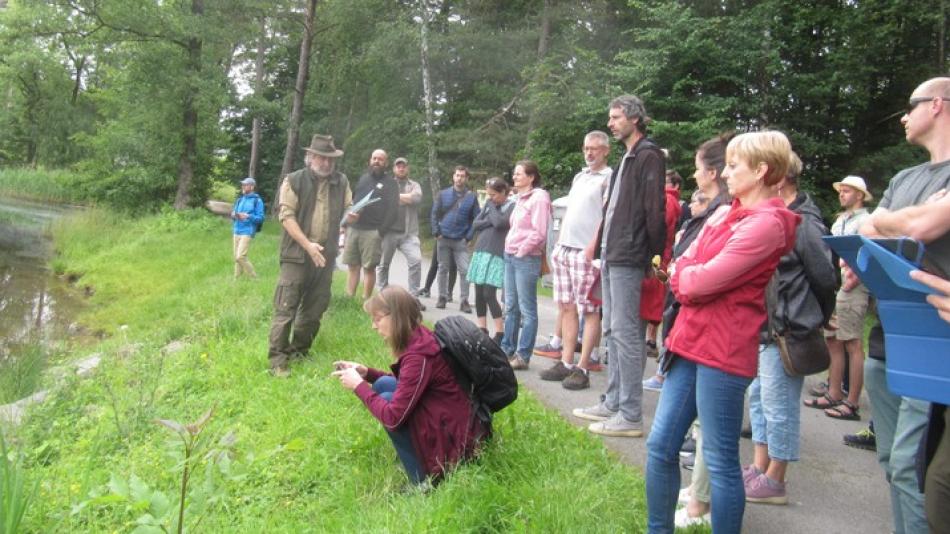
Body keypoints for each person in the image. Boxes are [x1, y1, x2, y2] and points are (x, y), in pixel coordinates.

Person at [645, 130, 800, 533]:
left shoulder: (767, 224)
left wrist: (685, 276)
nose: (725, 173)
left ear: (762, 170)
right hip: (689, 341)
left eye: (734, 166)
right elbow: (684, 261)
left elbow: (695, 280)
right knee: (660, 445)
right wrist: (686, 275)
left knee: (719, 459)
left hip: (723, 353)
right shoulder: (726, 213)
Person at [859, 77, 950, 534]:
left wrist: (888, 220)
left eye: (910, 106)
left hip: (933, 340)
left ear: (937, 105)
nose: (902, 117)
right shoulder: (903, 178)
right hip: (884, 336)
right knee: (891, 461)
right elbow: (870, 232)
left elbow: (924, 227)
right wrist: (890, 220)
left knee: (916, 468)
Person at [572, 94, 666, 438]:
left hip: (630, 255)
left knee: (627, 334)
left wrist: (654, 257)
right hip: (613, 254)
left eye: (615, 118)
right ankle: (612, 401)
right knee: (612, 330)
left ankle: (629, 414)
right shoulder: (628, 157)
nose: (610, 123)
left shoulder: (649, 156)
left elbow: (653, 211)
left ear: (634, 119)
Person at [745, 152, 836, 505]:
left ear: (779, 178)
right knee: (759, 399)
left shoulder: (804, 222)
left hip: (787, 330)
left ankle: (776, 479)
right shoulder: (775, 215)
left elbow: (826, 277)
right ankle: (759, 467)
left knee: (778, 406)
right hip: (766, 327)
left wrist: (813, 316)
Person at [331, 286, 488, 485]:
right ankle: (416, 455)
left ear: (395, 317)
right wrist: (367, 374)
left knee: (387, 403)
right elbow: (409, 383)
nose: (373, 326)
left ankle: (423, 480)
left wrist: (359, 386)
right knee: (383, 383)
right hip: (453, 418)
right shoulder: (419, 336)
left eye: (378, 319)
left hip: (457, 439)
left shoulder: (418, 356)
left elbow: (393, 418)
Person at [268, 134, 352, 378]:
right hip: (296, 255)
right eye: (321, 158)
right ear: (311, 157)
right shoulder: (293, 180)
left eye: (330, 159)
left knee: (315, 308)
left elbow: (349, 207)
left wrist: (350, 217)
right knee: (286, 307)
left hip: (326, 257)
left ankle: (299, 352)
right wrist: (308, 245)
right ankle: (277, 361)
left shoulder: (341, 181)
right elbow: (286, 217)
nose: (326, 163)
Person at [537, 130, 612, 390]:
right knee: (566, 306)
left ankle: (583, 366)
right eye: (586, 148)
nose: (589, 153)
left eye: (594, 148)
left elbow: (606, 215)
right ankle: (566, 362)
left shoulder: (608, 178)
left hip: (586, 251)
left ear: (605, 151)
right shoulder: (580, 176)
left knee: (589, 309)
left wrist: (594, 246)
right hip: (565, 248)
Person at [807, 175, 873, 419]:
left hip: (852, 287)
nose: (842, 194)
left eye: (847, 191)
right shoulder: (840, 220)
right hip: (837, 285)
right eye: (841, 190)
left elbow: (867, 254)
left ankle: (852, 401)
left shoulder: (867, 221)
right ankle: (834, 392)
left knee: (853, 343)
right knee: (833, 339)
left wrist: (851, 282)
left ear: (860, 195)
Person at [503, 160, 552, 370]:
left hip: (526, 258)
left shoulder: (539, 197)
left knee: (527, 309)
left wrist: (522, 251)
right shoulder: (519, 198)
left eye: (519, 174)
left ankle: (523, 355)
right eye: (514, 174)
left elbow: (539, 232)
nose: (514, 177)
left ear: (531, 177)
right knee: (511, 305)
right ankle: (507, 350)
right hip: (510, 256)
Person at [640, 169, 683, 361]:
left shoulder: (668, 200)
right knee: (653, 301)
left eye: (666, 181)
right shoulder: (667, 199)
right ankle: (649, 341)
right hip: (659, 257)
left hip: (657, 258)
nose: (661, 184)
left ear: (675, 186)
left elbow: (659, 227)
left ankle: (650, 341)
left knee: (651, 302)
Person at [344, 149, 398, 299]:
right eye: (374, 158)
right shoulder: (363, 179)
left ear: (386, 163)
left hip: (373, 231)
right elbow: (354, 202)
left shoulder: (391, 184)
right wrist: (348, 220)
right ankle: (349, 298)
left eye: (380, 159)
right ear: (370, 160)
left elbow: (393, 211)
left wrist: (381, 231)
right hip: (354, 229)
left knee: (369, 267)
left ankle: (366, 300)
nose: (376, 161)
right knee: (352, 265)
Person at [468, 177, 513, 345]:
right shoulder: (489, 204)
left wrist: (492, 209)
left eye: (493, 195)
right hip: (481, 250)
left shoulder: (511, 206)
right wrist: (490, 220)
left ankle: (500, 331)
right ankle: (482, 329)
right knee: (479, 292)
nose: (490, 198)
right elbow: (475, 223)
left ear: (503, 193)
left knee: (489, 293)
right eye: (488, 195)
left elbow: (501, 223)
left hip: (496, 253)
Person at [431, 166, 479, 313]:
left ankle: (464, 300)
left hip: (461, 240)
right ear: (453, 177)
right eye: (457, 175)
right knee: (442, 268)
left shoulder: (472, 197)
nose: (459, 178)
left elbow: (477, 218)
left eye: (462, 176)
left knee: (465, 270)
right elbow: (434, 214)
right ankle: (442, 297)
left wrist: (469, 236)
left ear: (466, 178)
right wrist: (436, 232)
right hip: (443, 237)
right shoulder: (443, 194)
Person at [377, 157, 424, 298]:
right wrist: (405, 198)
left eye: (404, 166)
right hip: (389, 232)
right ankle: (383, 295)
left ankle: (413, 297)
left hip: (409, 233)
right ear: (394, 169)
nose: (401, 169)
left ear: (407, 168)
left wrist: (394, 197)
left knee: (416, 261)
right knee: (383, 264)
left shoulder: (414, 185)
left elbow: (416, 199)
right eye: (398, 166)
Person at [230, 177, 264, 279]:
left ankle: (254, 278)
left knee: (240, 256)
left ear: (252, 187)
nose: (243, 187)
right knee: (236, 258)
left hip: (247, 231)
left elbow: (261, 218)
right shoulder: (240, 200)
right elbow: (234, 213)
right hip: (236, 230)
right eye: (243, 185)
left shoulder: (257, 201)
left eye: (245, 185)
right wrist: (233, 215)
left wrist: (249, 216)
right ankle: (237, 279)